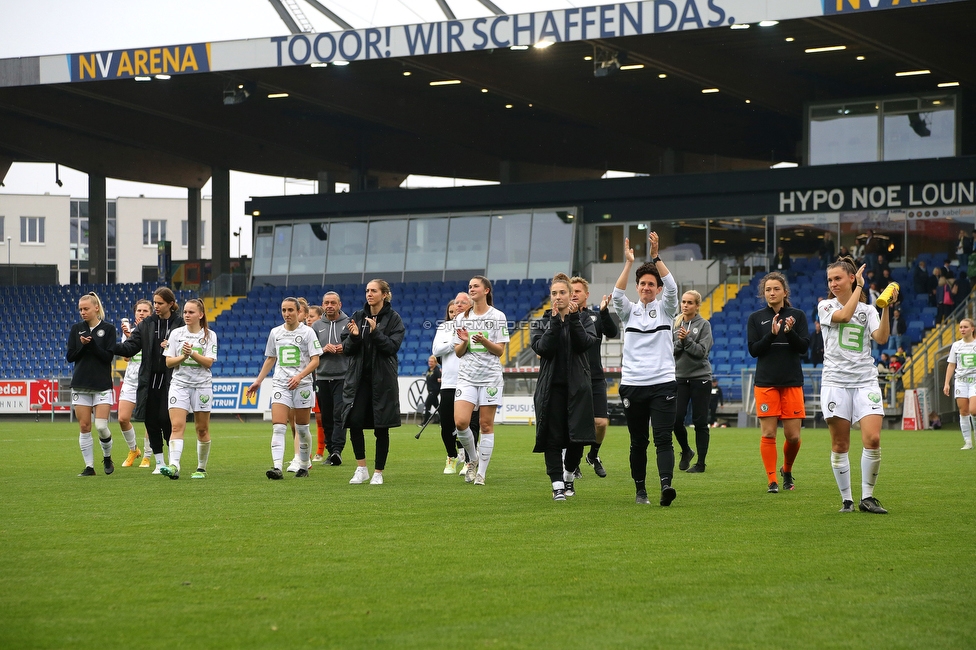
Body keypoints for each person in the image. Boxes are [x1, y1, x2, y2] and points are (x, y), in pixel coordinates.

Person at [819, 256, 894, 514]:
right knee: (841, 445)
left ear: (850, 277)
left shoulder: (869, 310)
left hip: (865, 381)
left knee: (872, 439)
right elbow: (845, 315)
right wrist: (861, 288)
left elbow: (882, 338)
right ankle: (847, 500)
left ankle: (868, 497)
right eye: (830, 279)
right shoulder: (826, 306)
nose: (833, 283)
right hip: (836, 382)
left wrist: (885, 308)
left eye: (838, 278)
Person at [611, 233, 679, 506]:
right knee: (638, 442)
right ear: (637, 287)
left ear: (658, 289)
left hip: (663, 383)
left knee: (663, 437)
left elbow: (673, 287)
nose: (646, 287)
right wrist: (628, 264)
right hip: (633, 385)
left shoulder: (667, 309)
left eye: (652, 284)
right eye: (642, 284)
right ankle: (640, 490)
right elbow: (617, 295)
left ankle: (666, 486)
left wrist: (656, 256)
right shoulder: (628, 312)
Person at [531, 273, 598, 500]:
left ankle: (569, 476)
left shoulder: (585, 320)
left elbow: (585, 344)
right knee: (551, 438)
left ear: (571, 296)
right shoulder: (541, 322)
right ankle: (557, 484)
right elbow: (544, 348)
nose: (558, 297)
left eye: (562, 293)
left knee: (576, 439)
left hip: (578, 390)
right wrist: (555, 322)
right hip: (551, 390)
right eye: (554, 293)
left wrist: (572, 319)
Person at [748, 272, 809, 493]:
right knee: (769, 434)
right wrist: (772, 335)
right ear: (763, 293)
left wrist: (789, 333)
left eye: (776, 289)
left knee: (793, 437)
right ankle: (772, 480)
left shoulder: (797, 315)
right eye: (768, 290)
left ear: (785, 292)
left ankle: (787, 470)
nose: (772, 293)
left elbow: (803, 347)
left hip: (792, 382)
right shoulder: (756, 318)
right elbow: (754, 350)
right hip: (766, 383)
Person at [248, 298, 322, 479]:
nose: (287, 314)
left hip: (302, 385)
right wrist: (258, 381)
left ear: (298, 312)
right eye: (284, 310)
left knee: (302, 428)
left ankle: (304, 465)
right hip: (281, 384)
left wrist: (299, 376)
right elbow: (271, 358)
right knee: (278, 427)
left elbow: (315, 360)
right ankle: (277, 467)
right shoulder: (275, 333)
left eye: (290, 310)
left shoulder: (308, 333)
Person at [112, 287, 184, 474]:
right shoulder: (147, 325)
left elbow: (188, 347)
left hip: (172, 380)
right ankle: (159, 463)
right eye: (155, 303)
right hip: (149, 379)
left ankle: (173, 460)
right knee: (151, 420)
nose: (156, 306)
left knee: (165, 420)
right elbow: (129, 348)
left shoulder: (180, 324)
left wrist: (173, 346)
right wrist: (108, 347)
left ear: (170, 303)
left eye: (160, 303)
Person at [341, 279, 405, 485]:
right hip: (358, 381)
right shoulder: (357, 316)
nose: (369, 294)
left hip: (382, 381)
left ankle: (378, 471)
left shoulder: (394, 319)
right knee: (355, 421)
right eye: (367, 290)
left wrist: (376, 332)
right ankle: (361, 468)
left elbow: (391, 348)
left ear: (384, 294)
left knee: (381, 427)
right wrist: (354, 337)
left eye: (374, 291)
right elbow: (347, 348)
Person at [453, 276, 509, 485]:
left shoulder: (498, 316)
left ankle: (481, 474)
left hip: (490, 378)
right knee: (460, 422)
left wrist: (485, 341)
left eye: (475, 286)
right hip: (467, 377)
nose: (471, 289)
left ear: (486, 290)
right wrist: (465, 342)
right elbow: (458, 353)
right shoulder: (461, 319)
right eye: (469, 286)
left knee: (486, 425)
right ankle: (473, 459)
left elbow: (500, 351)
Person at [158, 299, 217, 480]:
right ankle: (174, 465)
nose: (187, 315)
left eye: (191, 312)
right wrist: (183, 356)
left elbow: (209, 363)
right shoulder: (176, 334)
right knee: (176, 426)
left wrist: (193, 353)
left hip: (202, 386)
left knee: (202, 429)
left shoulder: (209, 335)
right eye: (185, 312)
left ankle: (201, 468)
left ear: (201, 314)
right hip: (179, 385)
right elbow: (168, 362)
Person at [570, 276, 618, 478]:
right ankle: (573, 463)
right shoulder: (562, 317)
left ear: (586, 295)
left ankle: (593, 455)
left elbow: (613, 333)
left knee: (600, 423)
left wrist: (605, 311)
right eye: (571, 291)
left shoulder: (595, 317)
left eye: (578, 291)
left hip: (596, 376)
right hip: (573, 378)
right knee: (575, 424)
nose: (574, 294)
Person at [67, 292, 118, 477]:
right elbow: (70, 357)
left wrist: (92, 345)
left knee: (101, 426)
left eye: (86, 308)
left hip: (102, 384)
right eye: (80, 309)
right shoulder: (76, 329)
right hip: (81, 384)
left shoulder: (109, 329)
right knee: (84, 426)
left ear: (96, 308)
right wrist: (82, 346)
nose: (83, 312)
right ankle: (89, 467)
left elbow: (108, 357)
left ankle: (107, 456)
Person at [431, 294, 481, 475]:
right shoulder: (444, 327)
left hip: (470, 381)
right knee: (446, 425)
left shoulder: (476, 325)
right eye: (453, 308)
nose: (457, 309)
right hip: (449, 383)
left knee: (470, 423)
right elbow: (436, 350)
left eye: (461, 304)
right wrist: (454, 342)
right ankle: (452, 455)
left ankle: (470, 461)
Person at [672, 290, 713, 474]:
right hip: (680, 377)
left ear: (697, 305)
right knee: (676, 419)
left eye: (690, 302)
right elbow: (670, 349)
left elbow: (701, 352)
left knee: (700, 421)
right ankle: (687, 450)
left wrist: (686, 341)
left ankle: (701, 463)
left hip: (700, 378)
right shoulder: (675, 323)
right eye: (683, 301)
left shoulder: (704, 325)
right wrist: (682, 342)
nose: (685, 305)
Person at [312, 291, 349, 465]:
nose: (329, 306)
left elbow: (356, 347)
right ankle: (330, 450)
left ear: (339, 305)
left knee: (339, 414)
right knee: (326, 416)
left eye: (333, 303)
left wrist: (345, 347)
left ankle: (337, 450)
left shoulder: (349, 323)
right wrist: (322, 349)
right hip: (322, 377)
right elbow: (310, 351)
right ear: (322, 304)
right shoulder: (317, 325)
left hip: (343, 376)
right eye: (326, 303)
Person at [117, 299, 153, 468]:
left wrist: (133, 335)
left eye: (145, 311)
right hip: (131, 381)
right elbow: (126, 357)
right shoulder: (128, 331)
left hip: (149, 380)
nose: (141, 313)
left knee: (149, 419)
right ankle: (134, 450)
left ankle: (147, 455)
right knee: (122, 418)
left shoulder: (155, 330)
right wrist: (127, 336)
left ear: (151, 314)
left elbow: (151, 351)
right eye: (139, 310)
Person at [943, 318, 976, 450]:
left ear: (972, 329)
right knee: (963, 411)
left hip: (974, 380)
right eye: (961, 327)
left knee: (973, 410)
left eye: (965, 327)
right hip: (961, 381)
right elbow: (951, 365)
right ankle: (968, 442)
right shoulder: (956, 345)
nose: (962, 329)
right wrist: (947, 383)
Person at [421, 355, 441, 425]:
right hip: (430, 390)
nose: (430, 363)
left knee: (427, 405)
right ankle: (443, 420)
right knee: (438, 407)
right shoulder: (429, 370)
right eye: (429, 361)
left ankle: (425, 422)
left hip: (434, 391)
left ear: (435, 362)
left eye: (432, 362)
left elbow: (439, 380)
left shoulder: (437, 370)